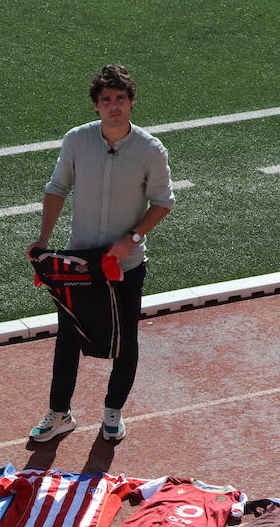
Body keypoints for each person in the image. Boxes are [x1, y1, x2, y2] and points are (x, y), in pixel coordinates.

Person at [26, 65, 175, 443]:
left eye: (120, 99)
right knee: (68, 337)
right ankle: (60, 413)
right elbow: (57, 187)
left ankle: (113, 412)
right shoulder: (76, 141)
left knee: (126, 340)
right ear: (96, 106)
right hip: (79, 264)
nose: (114, 106)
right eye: (106, 100)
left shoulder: (150, 149)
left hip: (125, 264)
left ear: (131, 103)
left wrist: (133, 237)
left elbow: (163, 202)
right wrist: (43, 239)